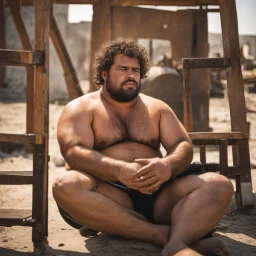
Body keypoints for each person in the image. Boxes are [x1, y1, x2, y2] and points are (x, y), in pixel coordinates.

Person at [52, 38, 234, 256]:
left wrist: (167, 165)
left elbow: (182, 145)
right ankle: (166, 237)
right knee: (65, 185)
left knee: (219, 184)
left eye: (136, 70)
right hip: (110, 195)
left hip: (159, 194)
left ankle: (174, 244)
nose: (131, 75)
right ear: (104, 73)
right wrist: (119, 170)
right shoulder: (80, 108)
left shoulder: (157, 108)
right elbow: (73, 152)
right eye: (123, 69)